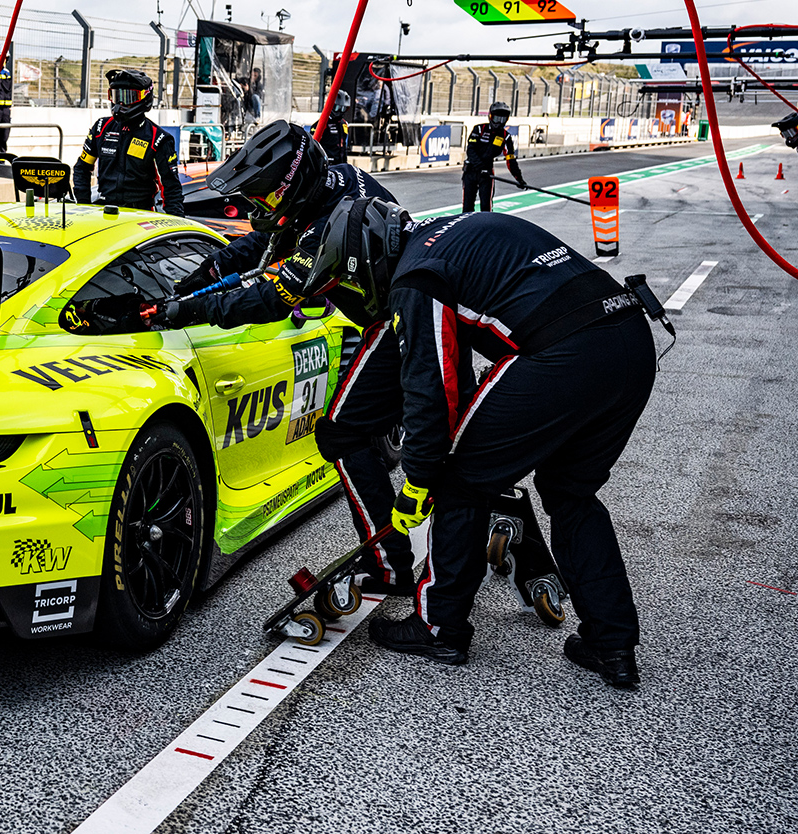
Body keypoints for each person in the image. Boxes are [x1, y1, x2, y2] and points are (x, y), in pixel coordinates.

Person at [304, 199, 656, 687]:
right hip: (631, 341)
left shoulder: (415, 275)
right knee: (570, 493)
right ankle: (611, 642)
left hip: (564, 352)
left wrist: (420, 482)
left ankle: (439, 626)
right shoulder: (451, 231)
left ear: (369, 257)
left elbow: (433, 388)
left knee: (458, 479)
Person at [152, 120, 412, 592]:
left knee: (356, 435)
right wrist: (194, 278)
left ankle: (394, 566)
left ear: (289, 187)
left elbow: (270, 298)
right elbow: (254, 247)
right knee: (431, 438)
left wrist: (183, 310)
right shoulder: (324, 183)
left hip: (406, 318)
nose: (257, 208)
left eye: (264, 197)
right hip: (400, 313)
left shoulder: (332, 212)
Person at [72, 68, 184, 214]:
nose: (120, 103)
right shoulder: (101, 128)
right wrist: (84, 207)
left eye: (128, 97)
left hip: (140, 214)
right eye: (116, 96)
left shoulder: (159, 138)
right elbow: (81, 168)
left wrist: (174, 229)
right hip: (105, 212)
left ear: (145, 98)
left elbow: (171, 187)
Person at [462, 101, 526, 211]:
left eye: (503, 119)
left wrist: (519, 179)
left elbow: (510, 160)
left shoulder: (506, 137)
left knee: (486, 206)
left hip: (487, 175)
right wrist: (479, 166)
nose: (499, 123)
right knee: (467, 206)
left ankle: (486, 227)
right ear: (491, 117)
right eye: (497, 119)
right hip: (471, 172)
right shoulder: (479, 129)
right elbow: (470, 150)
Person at [321, 93, 352, 164]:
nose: (340, 111)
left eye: (344, 108)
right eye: (338, 108)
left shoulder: (344, 124)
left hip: (340, 163)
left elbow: (343, 145)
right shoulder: (322, 123)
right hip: (326, 163)